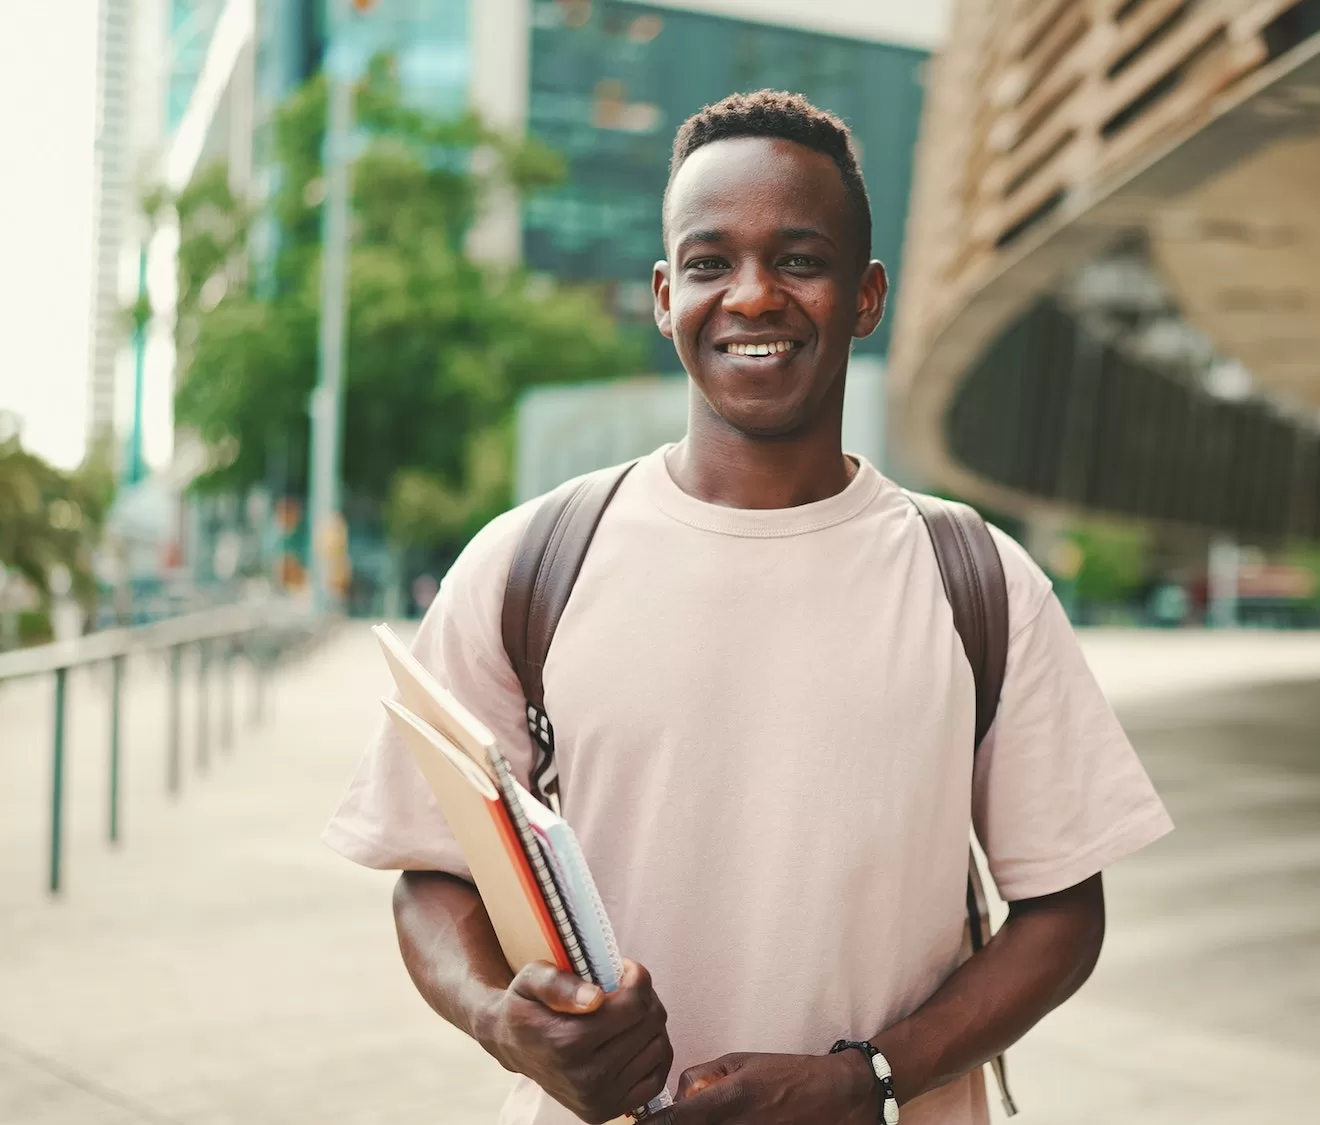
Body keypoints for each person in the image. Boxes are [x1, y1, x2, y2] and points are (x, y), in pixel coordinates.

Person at [323, 90, 1173, 1125]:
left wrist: (869, 1080)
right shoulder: (527, 563)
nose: (753, 296)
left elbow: (1059, 914)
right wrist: (503, 1019)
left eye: (800, 261)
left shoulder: (979, 580)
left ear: (865, 298)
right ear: (661, 293)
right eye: (709, 261)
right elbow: (430, 872)